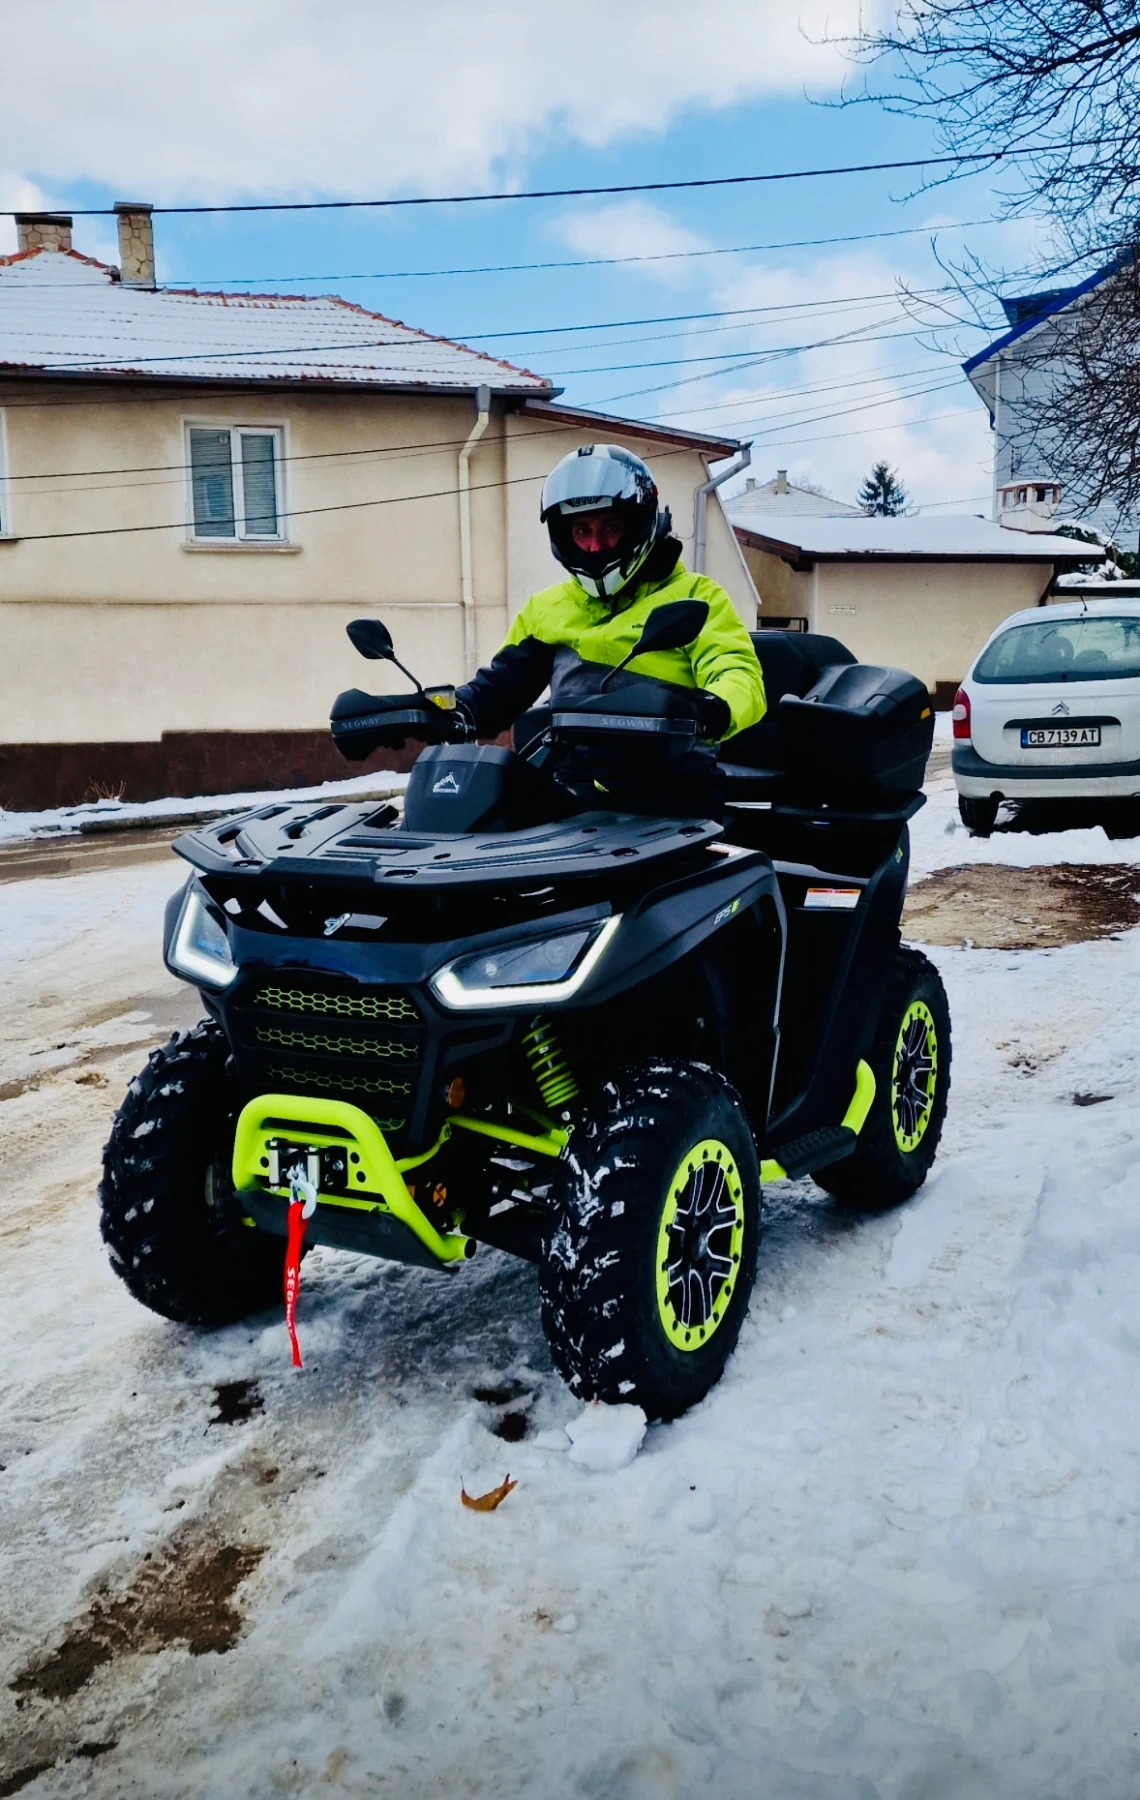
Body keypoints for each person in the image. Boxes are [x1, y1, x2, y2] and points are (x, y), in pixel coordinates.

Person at [455, 444, 766, 816]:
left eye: (612, 527)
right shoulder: (546, 609)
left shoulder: (695, 596)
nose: (595, 545)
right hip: (571, 787)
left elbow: (738, 673)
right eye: (581, 530)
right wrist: (436, 710)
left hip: (671, 790)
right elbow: (499, 688)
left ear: (639, 523)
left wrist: (711, 707)